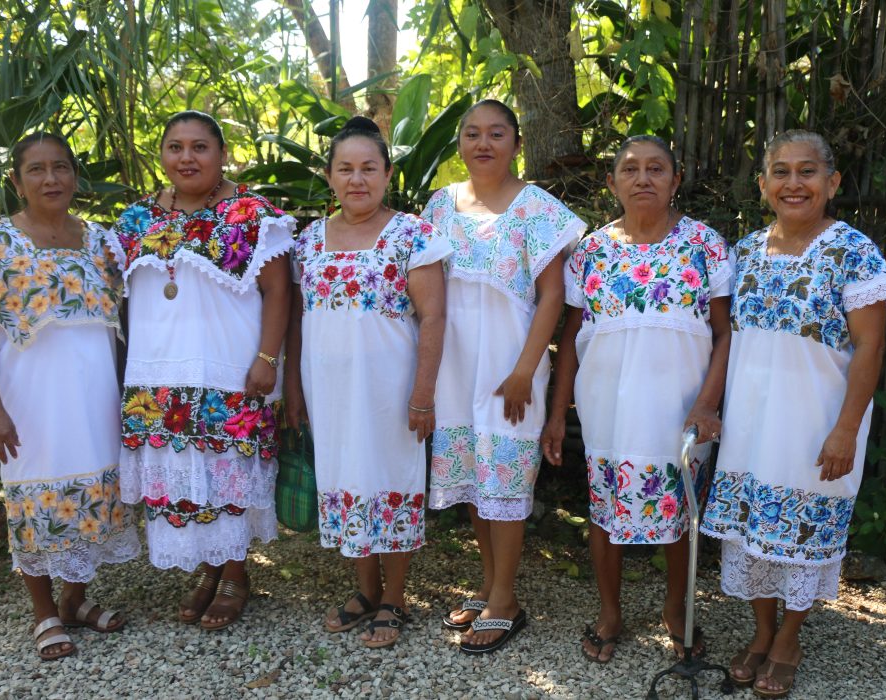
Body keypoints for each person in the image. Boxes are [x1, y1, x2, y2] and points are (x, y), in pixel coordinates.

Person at [700, 130, 886, 697]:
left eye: (807, 171)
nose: (793, 183)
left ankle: (789, 638)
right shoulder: (744, 254)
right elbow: (727, 340)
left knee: (804, 534)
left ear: (831, 183)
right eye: (780, 172)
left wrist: (846, 431)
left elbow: (870, 348)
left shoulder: (856, 254)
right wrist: (710, 407)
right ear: (762, 185)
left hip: (816, 426)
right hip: (750, 427)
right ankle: (761, 632)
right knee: (750, 534)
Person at [542, 135, 733, 664]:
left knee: (679, 515)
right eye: (630, 169)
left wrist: (707, 405)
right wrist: (558, 413)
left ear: (675, 180)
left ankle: (677, 611)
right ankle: (610, 613)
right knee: (605, 512)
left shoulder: (705, 245)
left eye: (656, 169)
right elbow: (572, 337)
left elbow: (725, 334)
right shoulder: (591, 251)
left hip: (680, 409)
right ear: (612, 183)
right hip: (607, 409)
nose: (643, 178)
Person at [0, 133, 140, 660]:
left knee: (99, 498)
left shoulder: (104, 243)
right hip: (28, 402)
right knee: (31, 497)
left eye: (61, 167)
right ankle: (44, 612)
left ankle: (77, 599)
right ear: (16, 180)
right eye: (36, 169)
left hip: (96, 397)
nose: (51, 179)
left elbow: (125, 323)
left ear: (75, 177)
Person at [109, 110, 295, 630]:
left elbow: (279, 290)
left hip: (230, 369)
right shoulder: (135, 220)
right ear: (162, 154)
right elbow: (121, 302)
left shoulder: (253, 214)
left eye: (199, 147)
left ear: (221, 154)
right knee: (188, 481)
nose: (186, 158)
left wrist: (267, 359)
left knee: (225, 478)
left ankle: (236, 575)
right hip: (158, 372)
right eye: (175, 147)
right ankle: (210, 573)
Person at [421, 99, 587, 654]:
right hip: (454, 364)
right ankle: (492, 587)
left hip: (511, 364)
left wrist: (523, 372)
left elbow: (552, 297)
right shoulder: (440, 205)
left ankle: (506, 600)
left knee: (507, 480)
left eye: (497, 133)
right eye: (472, 134)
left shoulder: (538, 208)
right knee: (474, 478)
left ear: (516, 143)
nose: (483, 143)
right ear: (460, 144)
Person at [284, 116, 451, 649]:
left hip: (389, 393)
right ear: (329, 176)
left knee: (391, 481)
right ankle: (364, 589)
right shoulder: (308, 240)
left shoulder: (413, 235)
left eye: (369, 168)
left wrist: (423, 395)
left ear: (387, 173)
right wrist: (293, 388)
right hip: (329, 392)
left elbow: (434, 318)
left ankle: (395, 598)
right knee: (345, 480)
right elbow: (295, 320)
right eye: (345, 169)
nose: (357, 179)